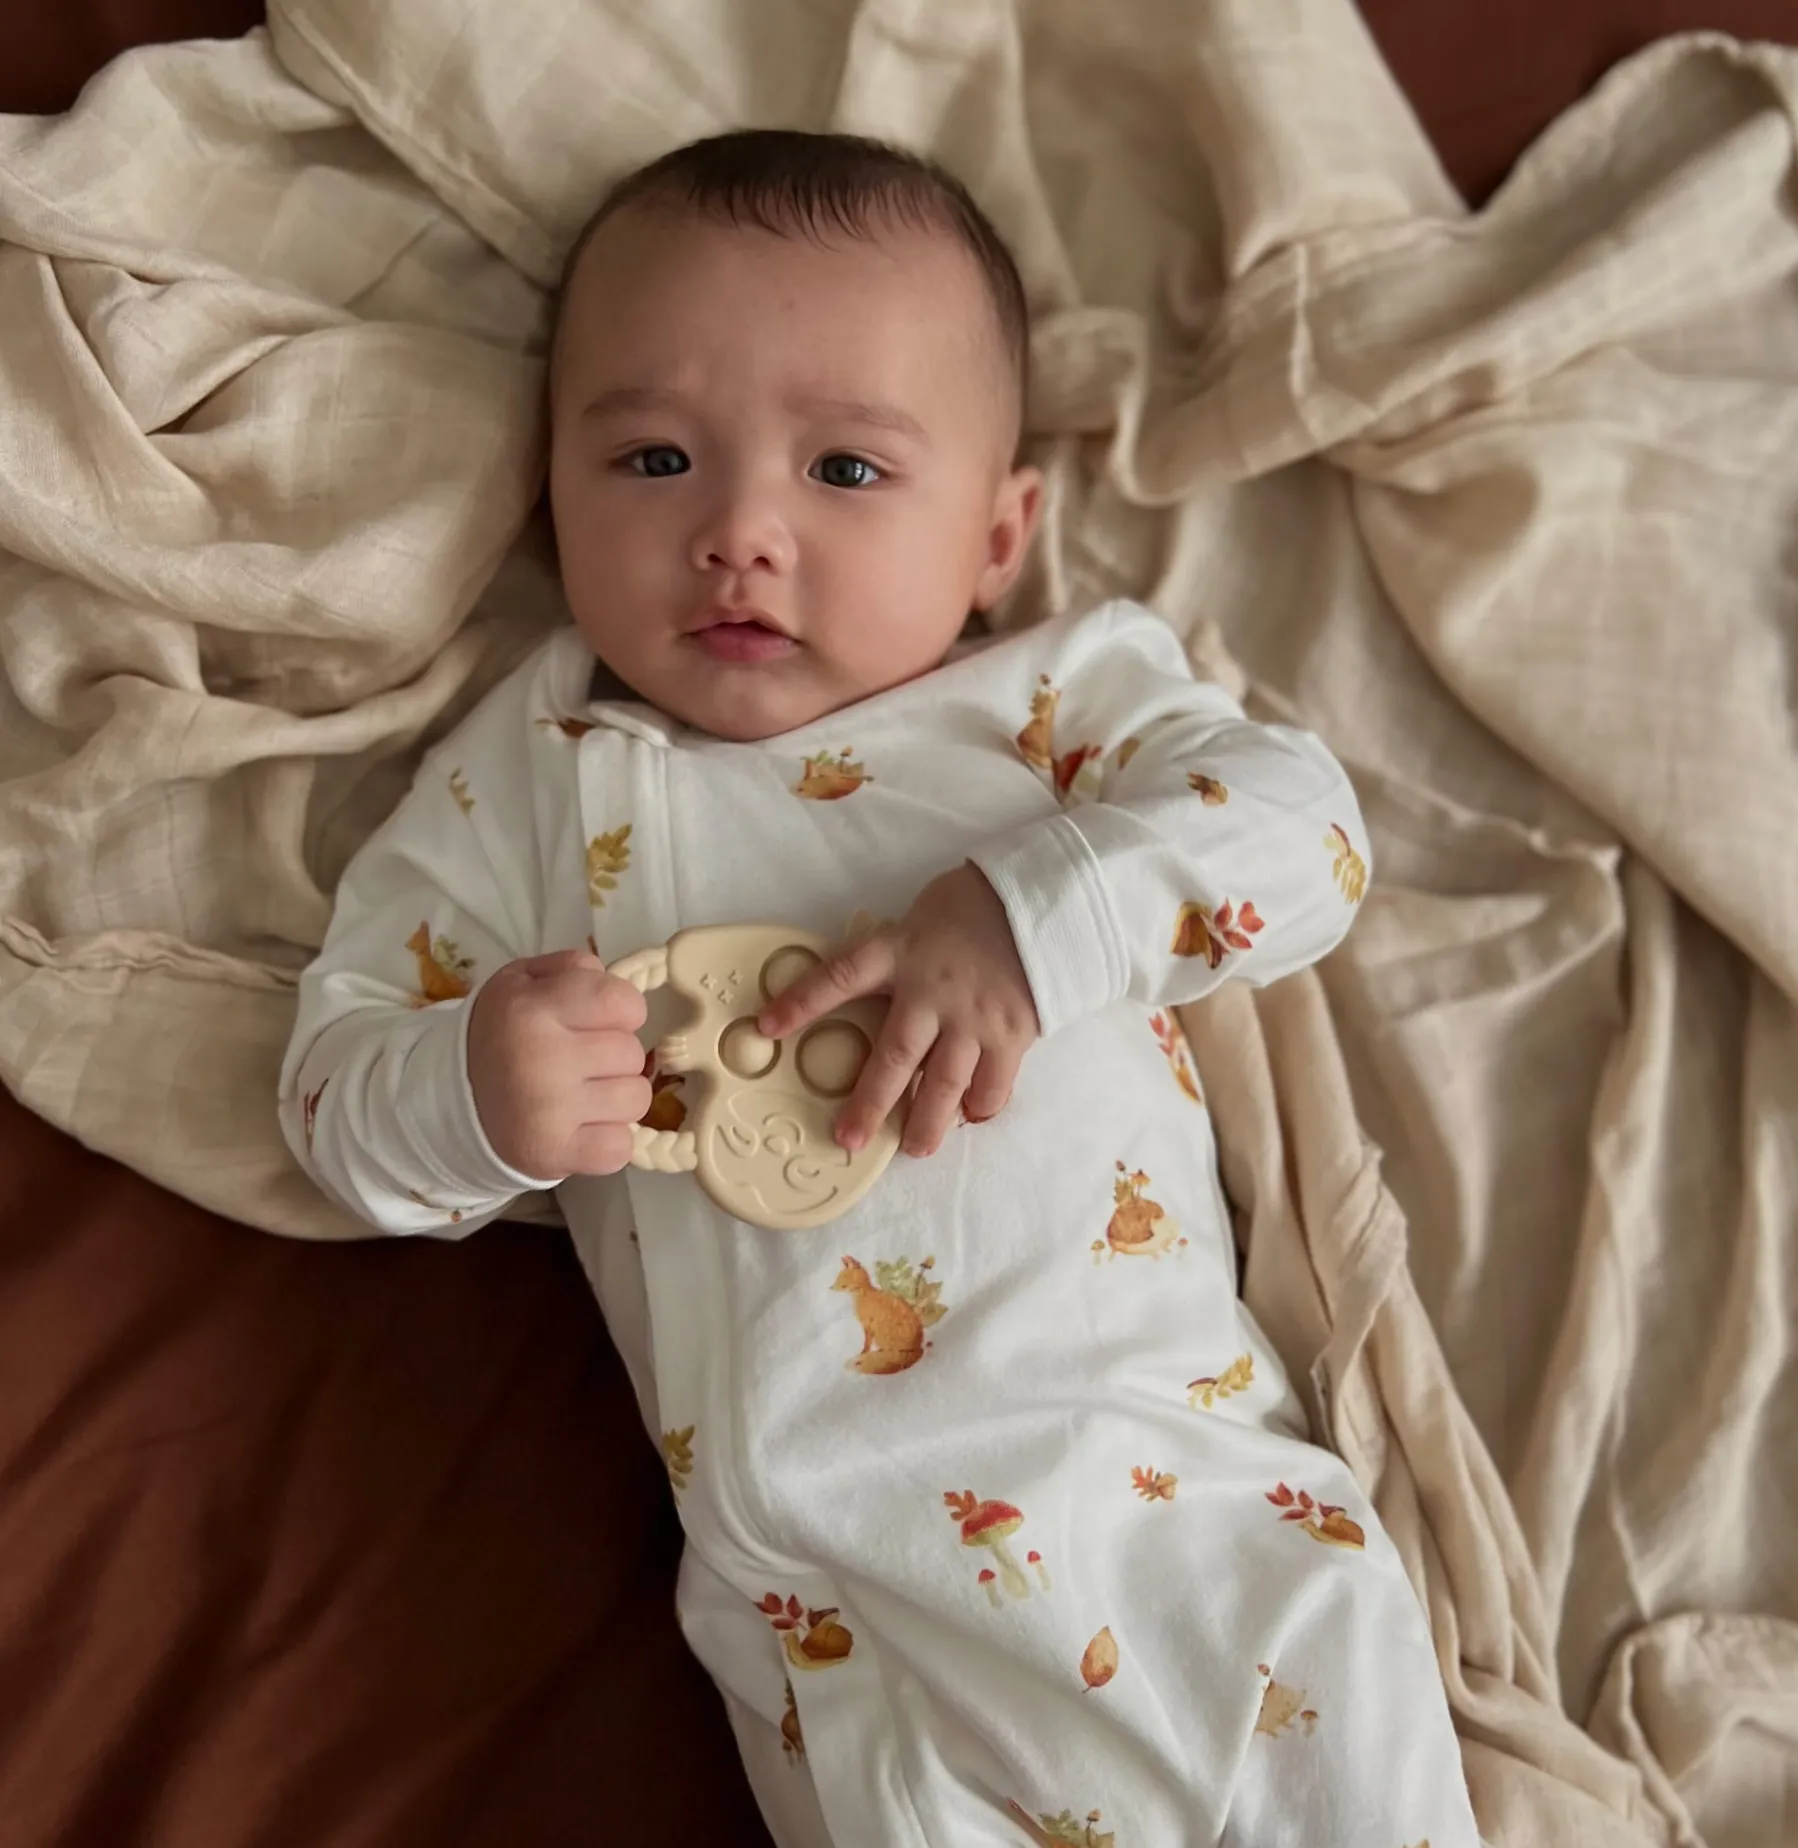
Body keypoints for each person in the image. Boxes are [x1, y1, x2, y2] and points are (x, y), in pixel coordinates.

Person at [279, 129, 1478, 1848]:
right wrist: (470, 1090)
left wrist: (1035, 916)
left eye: (845, 468)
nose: (738, 534)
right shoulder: (532, 780)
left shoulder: (1053, 709)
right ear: (549, 492)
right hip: (847, 1629)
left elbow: (1310, 837)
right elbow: (328, 1084)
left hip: (1200, 1528)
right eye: (654, 457)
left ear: (997, 532)